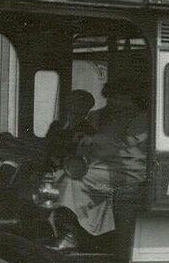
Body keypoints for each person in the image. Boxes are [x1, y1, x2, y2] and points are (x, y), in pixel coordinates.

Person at [48, 76, 150, 251]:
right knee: (56, 178)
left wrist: (94, 140)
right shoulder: (100, 116)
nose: (113, 102)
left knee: (73, 182)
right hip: (99, 165)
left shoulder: (141, 119)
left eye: (117, 97)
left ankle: (72, 234)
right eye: (111, 97)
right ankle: (63, 229)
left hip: (129, 169)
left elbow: (125, 145)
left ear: (130, 98)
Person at [44, 90, 98, 165]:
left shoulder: (89, 130)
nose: (76, 117)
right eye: (74, 112)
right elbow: (47, 147)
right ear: (68, 108)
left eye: (82, 114)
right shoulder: (56, 125)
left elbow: (85, 156)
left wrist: (73, 143)